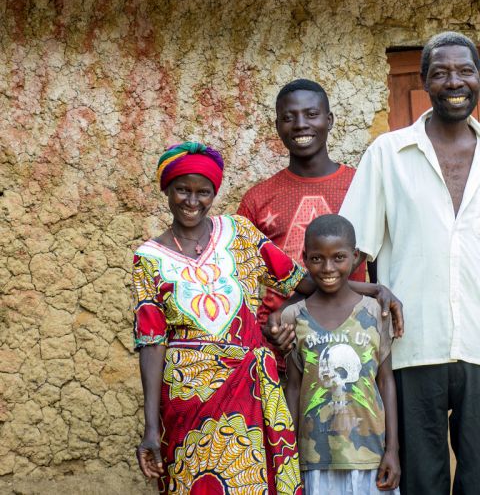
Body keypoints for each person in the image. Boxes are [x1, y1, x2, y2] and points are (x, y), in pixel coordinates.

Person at [340, 31, 480, 495]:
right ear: (423, 82)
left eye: (465, 70)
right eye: (440, 73)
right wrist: (375, 292)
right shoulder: (388, 154)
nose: (454, 81)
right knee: (423, 481)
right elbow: (347, 255)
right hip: (411, 346)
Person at [132, 141, 312, 493]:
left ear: (214, 193)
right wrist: (151, 429)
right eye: (182, 189)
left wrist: (281, 317)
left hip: (251, 392)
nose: (192, 201)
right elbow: (151, 342)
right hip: (187, 398)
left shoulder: (239, 233)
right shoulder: (148, 257)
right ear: (166, 190)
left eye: (204, 192)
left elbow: (301, 282)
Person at [237, 79, 369, 334]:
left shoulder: (361, 186)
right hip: (279, 343)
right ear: (277, 126)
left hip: (351, 339)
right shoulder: (257, 199)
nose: (300, 125)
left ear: (329, 120)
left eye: (311, 114)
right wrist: (260, 333)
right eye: (289, 117)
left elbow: (377, 263)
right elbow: (238, 281)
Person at [283, 214, 400, 495]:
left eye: (338, 257)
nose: (327, 268)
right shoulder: (293, 317)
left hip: (370, 457)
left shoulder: (375, 313)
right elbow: (294, 387)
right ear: (305, 258)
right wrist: (287, 454)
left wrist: (392, 450)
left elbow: (385, 382)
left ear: (355, 256)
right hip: (314, 460)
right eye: (316, 259)